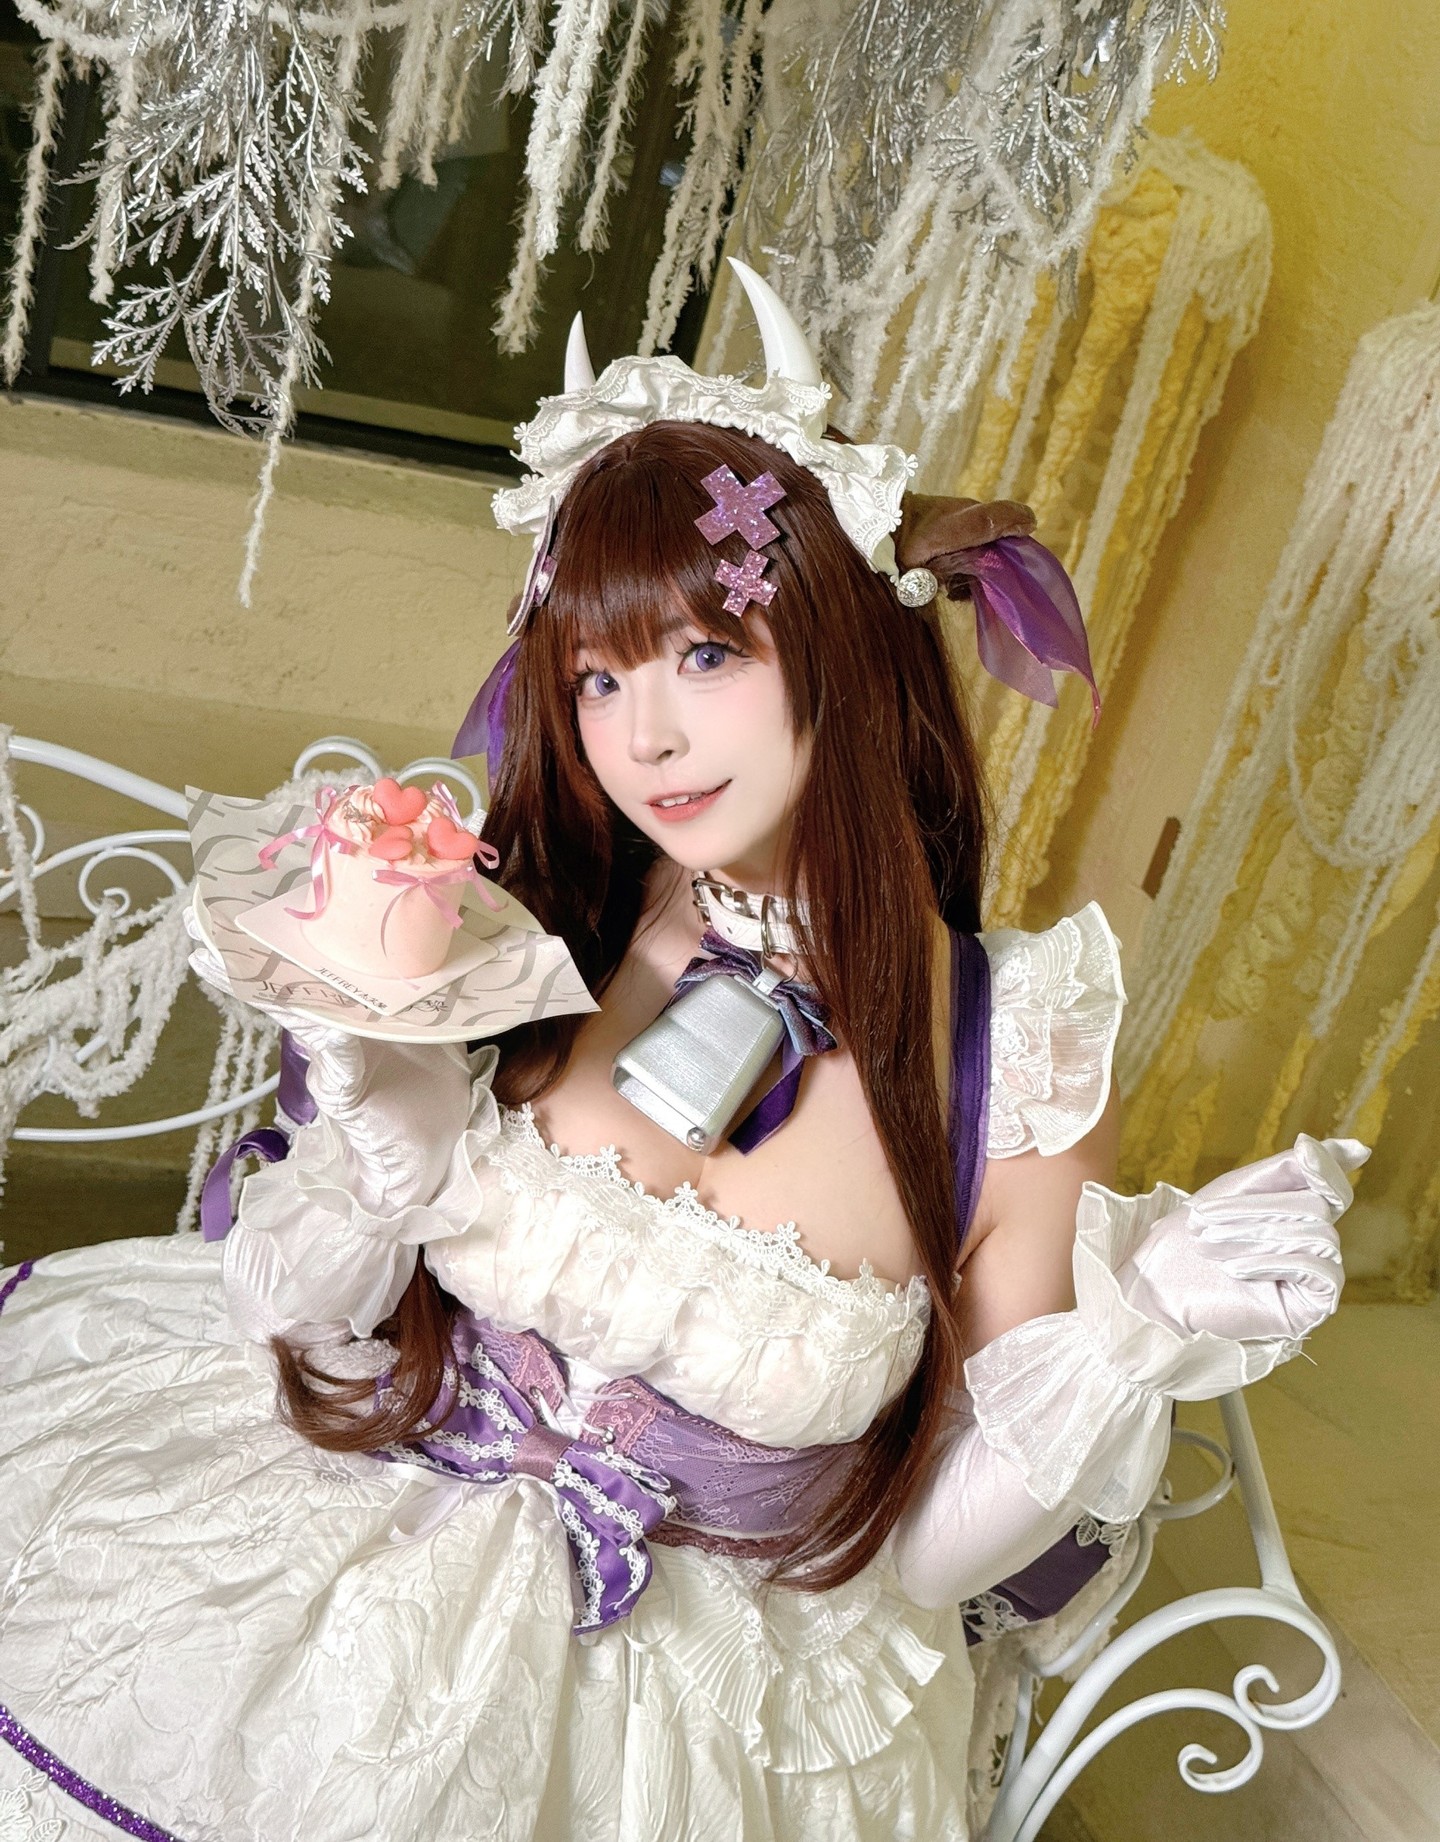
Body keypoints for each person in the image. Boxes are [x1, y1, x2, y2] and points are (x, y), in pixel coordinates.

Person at [0, 265, 1362, 1842]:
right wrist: (385, 1158)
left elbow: (925, 1559)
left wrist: (1142, 1332)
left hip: (709, 1712)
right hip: (350, 1543)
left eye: (704, 654)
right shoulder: (543, 913)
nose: (640, 737)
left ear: (845, 647)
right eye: (598, 675)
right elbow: (291, 1315)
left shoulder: (1015, 1058)